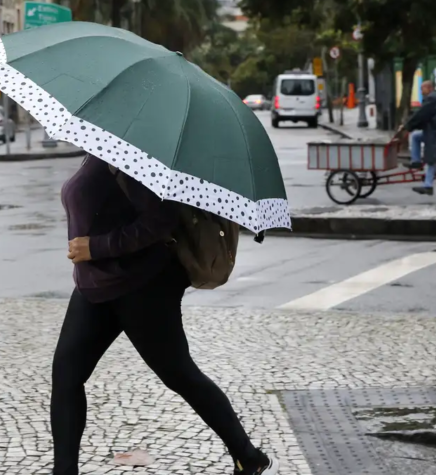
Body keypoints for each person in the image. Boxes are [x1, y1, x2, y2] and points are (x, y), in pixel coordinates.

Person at [53, 154, 279, 475]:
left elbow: (160, 221)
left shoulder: (133, 157)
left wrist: (97, 247)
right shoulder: (101, 153)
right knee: (66, 377)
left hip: (142, 287)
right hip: (95, 287)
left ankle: (248, 455)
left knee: (179, 374)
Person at [401, 80, 436, 196]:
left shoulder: (432, 100)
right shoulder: (435, 99)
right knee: (416, 136)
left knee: (433, 157)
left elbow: (420, 114)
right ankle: (416, 161)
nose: (421, 92)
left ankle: (428, 186)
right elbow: (424, 117)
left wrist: (407, 126)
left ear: (429, 88)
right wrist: (410, 127)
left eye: (422, 89)